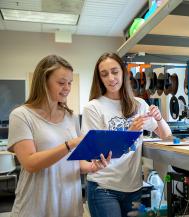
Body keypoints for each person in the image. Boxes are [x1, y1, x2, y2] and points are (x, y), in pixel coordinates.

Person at [7, 55, 110, 217]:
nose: (67, 88)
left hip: (69, 205)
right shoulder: (21, 115)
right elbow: (30, 163)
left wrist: (92, 167)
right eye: (61, 83)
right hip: (36, 206)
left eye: (70, 83)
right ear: (43, 82)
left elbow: (76, 163)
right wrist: (70, 144)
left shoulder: (71, 117)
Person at [82, 52, 172, 217]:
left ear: (124, 73)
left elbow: (166, 136)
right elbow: (96, 152)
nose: (110, 78)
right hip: (104, 188)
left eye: (115, 72)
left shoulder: (139, 104)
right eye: (104, 74)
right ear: (99, 78)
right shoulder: (93, 108)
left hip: (134, 188)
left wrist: (159, 119)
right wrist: (129, 134)